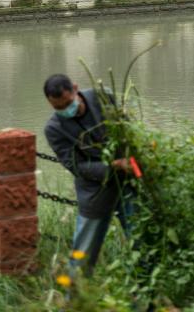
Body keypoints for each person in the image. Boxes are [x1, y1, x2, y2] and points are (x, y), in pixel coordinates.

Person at [43, 74, 137, 274]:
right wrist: (113, 165)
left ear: (75, 89)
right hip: (95, 191)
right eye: (58, 108)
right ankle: (75, 291)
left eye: (68, 103)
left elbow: (128, 128)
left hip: (128, 183)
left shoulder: (103, 97)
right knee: (82, 255)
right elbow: (77, 166)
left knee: (140, 241)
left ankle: (145, 288)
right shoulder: (54, 129)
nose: (65, 110)